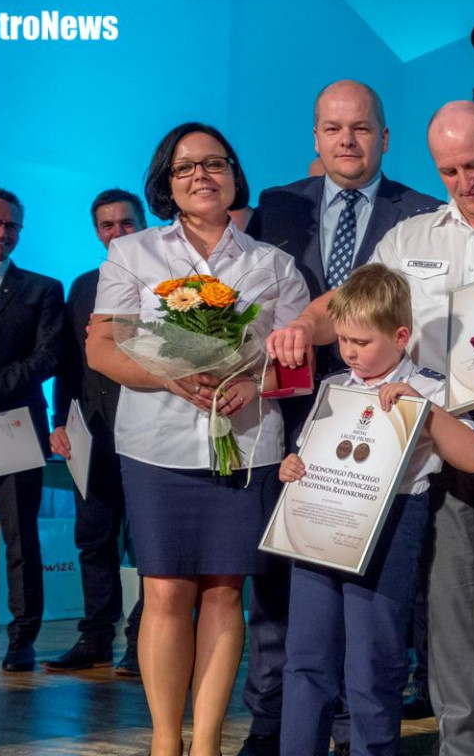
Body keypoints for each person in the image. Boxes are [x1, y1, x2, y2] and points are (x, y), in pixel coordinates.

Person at [267, 100, 474, 756]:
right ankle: (463, 742)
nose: (464, 181)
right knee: (446, 611)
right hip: (425, 439)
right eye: (449, 170)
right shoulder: (413, 235)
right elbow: (353, 301)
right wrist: (304, 325)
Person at [85, 122, 309, 756]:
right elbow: (102, 346)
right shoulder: (133, 255)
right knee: (163, 590)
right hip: (155, 444)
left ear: (235, 176)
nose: (201, 176)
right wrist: (170, 374)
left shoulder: (274, 265)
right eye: (185, 168)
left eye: (215, 164)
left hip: (242, 446)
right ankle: (165, 741)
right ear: (166, 183)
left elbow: (296, 366)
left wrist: (257, 384)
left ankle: (206, 741)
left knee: (223, 592)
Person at [241, 79, 439, 756]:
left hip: (387, 425)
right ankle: (272, 723)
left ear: (385, 137)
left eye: (360, 128)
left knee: (375, 598)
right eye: (332, 128)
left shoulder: (421, 212)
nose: (346, 141)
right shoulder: (275, 206)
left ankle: (361, 732)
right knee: (280, 588)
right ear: (316, 139)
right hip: (294, 418)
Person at [279, 263, 474, 756]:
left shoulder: (430, 386)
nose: (349, 351)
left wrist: (424, 409)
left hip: (390, 524)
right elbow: (310, 452)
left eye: (362, 342)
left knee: (373, 659)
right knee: (307, 656)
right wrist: (293, 466)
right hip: (319, 522)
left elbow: (472, 458)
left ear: (400, 336)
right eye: (343, 340)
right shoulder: (334, 385)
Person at [42, 189, 147, 676]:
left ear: (142, 223)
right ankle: (95, 639)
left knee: (149, 546)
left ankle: (142, 642)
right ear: (97, 231)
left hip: (151, 435)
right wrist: (59, 420)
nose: (117, 233)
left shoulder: (166, 283)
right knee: (94, 539)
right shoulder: (85, 285)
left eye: (126, 223)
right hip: (95, 437)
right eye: (108, 226)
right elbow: (68, 362)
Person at [0, 187, 64, 671]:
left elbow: (47, 357)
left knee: (20, 539)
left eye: (11, 226)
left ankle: (22, 638)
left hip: (11, 426)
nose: (1, 232)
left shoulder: (42, 289)